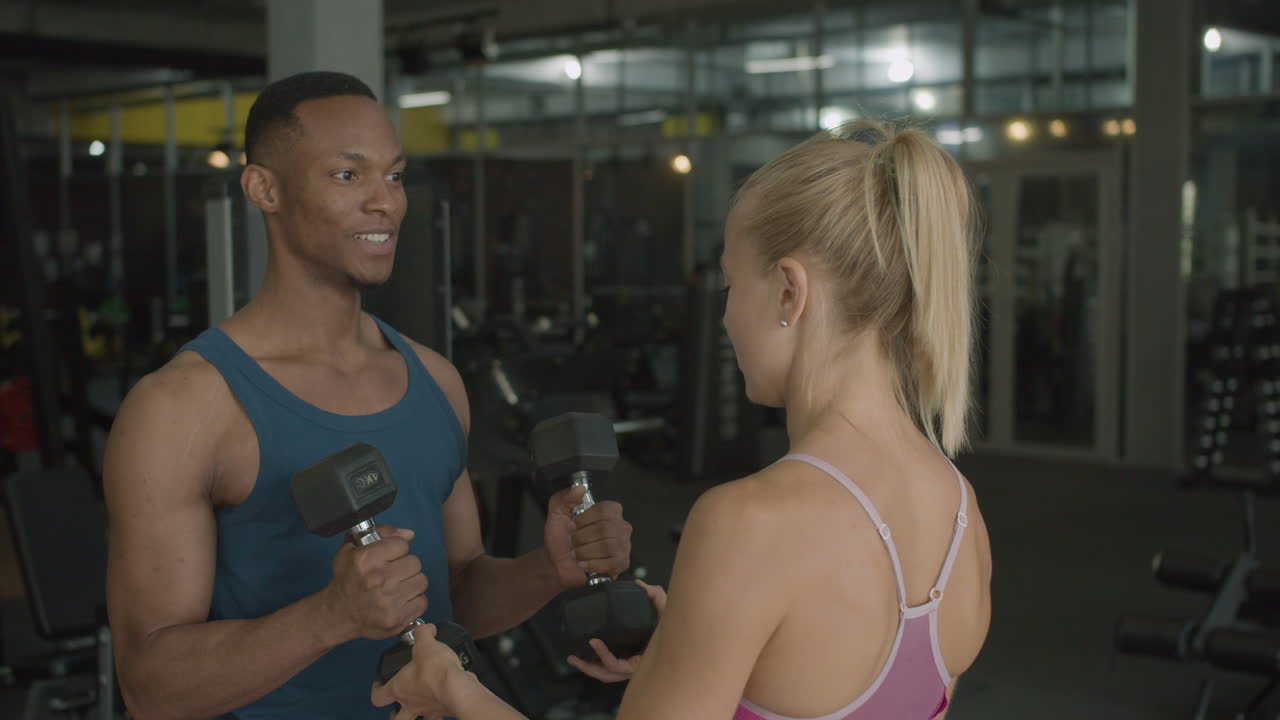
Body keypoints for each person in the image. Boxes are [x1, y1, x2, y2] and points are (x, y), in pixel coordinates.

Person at [371, 119, 994, 720]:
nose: (725, 318)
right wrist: (698, 658)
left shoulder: (749, 521)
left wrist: (455, 689)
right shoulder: (959, 509)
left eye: (729, 286)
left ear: (787, 292)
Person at [101, 70, 635, 720]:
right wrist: (332, 616)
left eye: (396, 174)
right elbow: (149, 687)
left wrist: (547, 570)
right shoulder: (185, 407)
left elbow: (455, 591)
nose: (386, 201)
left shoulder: (434, 379)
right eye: (348, 176)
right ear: (264, 188)